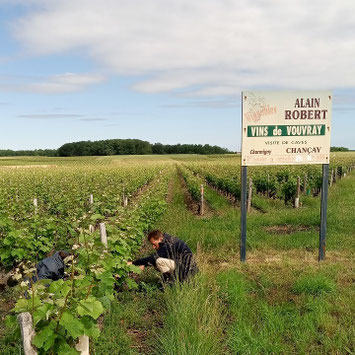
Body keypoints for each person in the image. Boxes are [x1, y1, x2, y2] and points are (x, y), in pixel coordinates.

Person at [128, 230, 198, 283]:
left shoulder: (167, 245)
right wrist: (144, 264)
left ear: (160, 239)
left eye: (154, 244)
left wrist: (133, 263)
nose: (153, 247)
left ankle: (170, 282)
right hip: (187, 267)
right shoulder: (168, 240)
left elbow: (153, 258)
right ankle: (171, 279)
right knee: (157, 262)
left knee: (159, 261)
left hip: (187, 270)